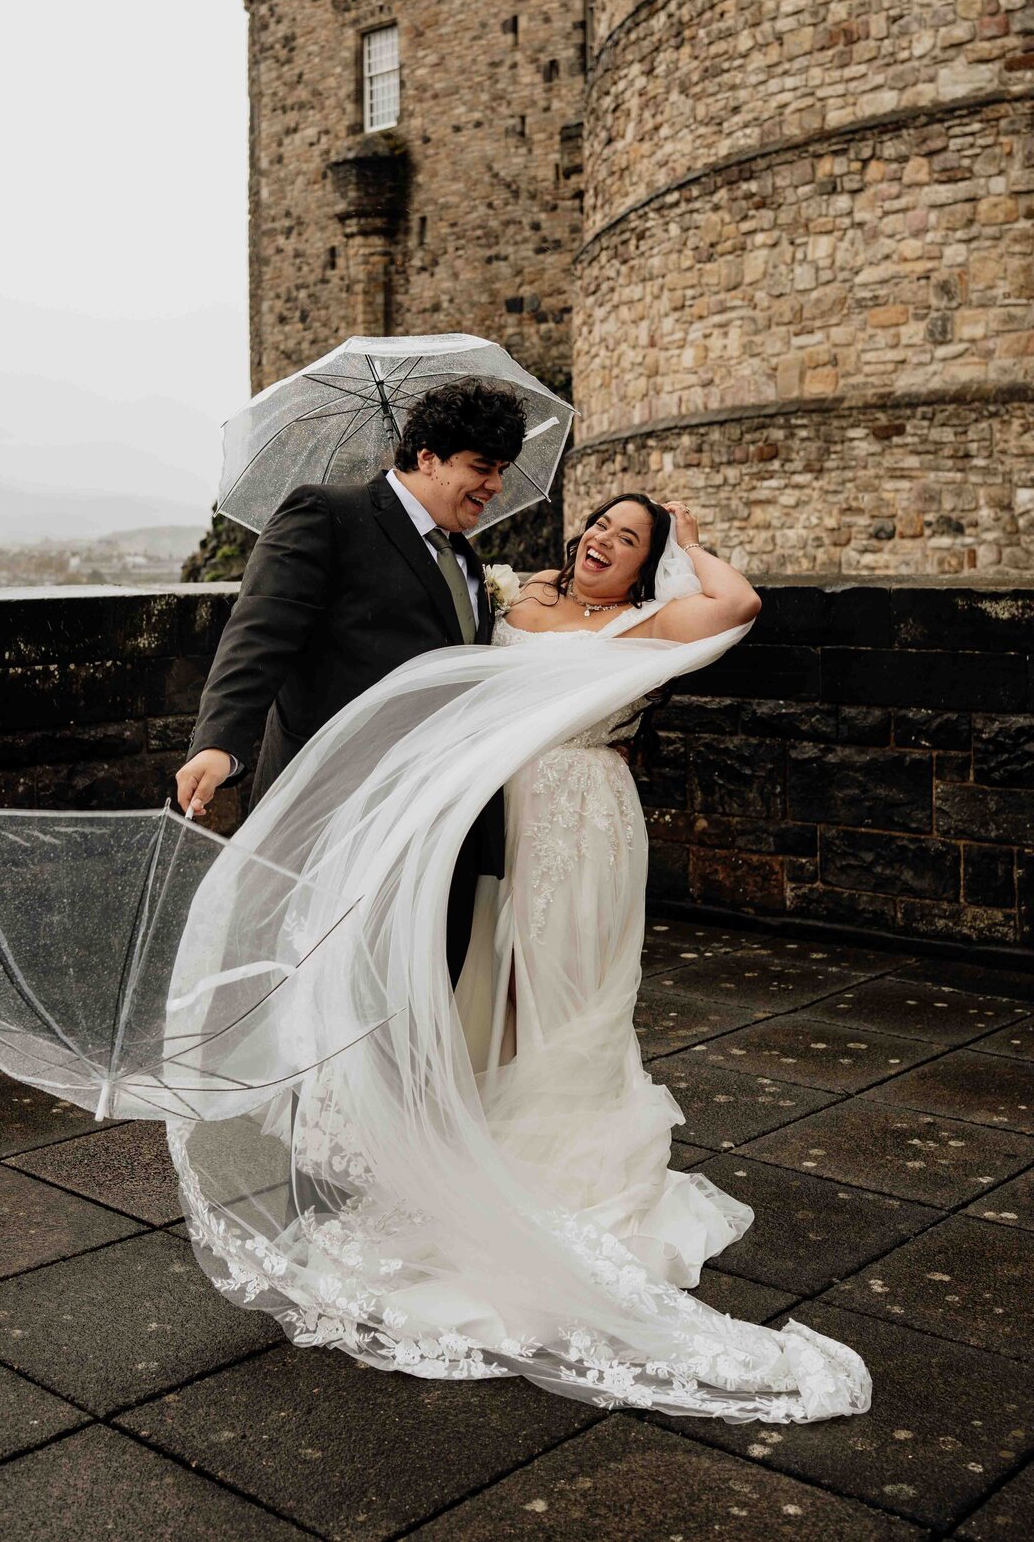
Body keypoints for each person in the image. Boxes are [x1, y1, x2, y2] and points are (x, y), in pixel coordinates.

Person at [163, 489, 872, 1424]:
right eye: (598, 528)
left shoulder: (648, 621)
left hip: (583, 822)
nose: (601, 544)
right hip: (495, 820)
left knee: (571, 997)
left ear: (644, 563)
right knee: (489, 988)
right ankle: (485, 1147)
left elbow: (738, 606)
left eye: (627, 540)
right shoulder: (512, 598)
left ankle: (560, 1172)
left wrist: (692, 547)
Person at [175, 377, 527, 984]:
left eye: (502, 469)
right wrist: (220, 741)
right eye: (483, 467)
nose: (495, 485)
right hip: (339, 803)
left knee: (421, 981)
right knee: (322, 981)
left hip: (437, 811)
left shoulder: (466, 558)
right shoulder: (328, 514)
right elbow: (260, 633)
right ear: (427, 457)